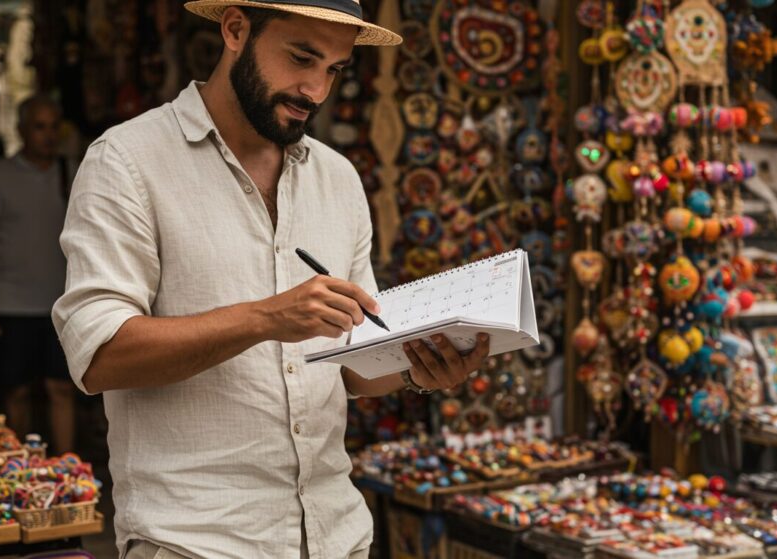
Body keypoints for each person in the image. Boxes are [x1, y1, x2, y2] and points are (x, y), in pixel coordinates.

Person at [52, 2, 490, 558]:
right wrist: (264, 318)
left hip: (335, 536)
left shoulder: (339, 179)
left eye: (334, 68)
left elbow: (353, 368)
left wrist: (417, 365)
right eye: (302, 57)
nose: (315, 89)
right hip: (196, 543)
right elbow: (99, 355)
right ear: (235, 29)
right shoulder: (128, 161)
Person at [0, 95, 76, 455]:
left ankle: (67, 468)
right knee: (15, 391)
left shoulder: (72, 172)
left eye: (53, 127)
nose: (48, 136)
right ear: (21, 131)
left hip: (62, 305)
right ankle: (25, 468)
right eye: (39, 127)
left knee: (61, 387)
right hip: (10, 303)